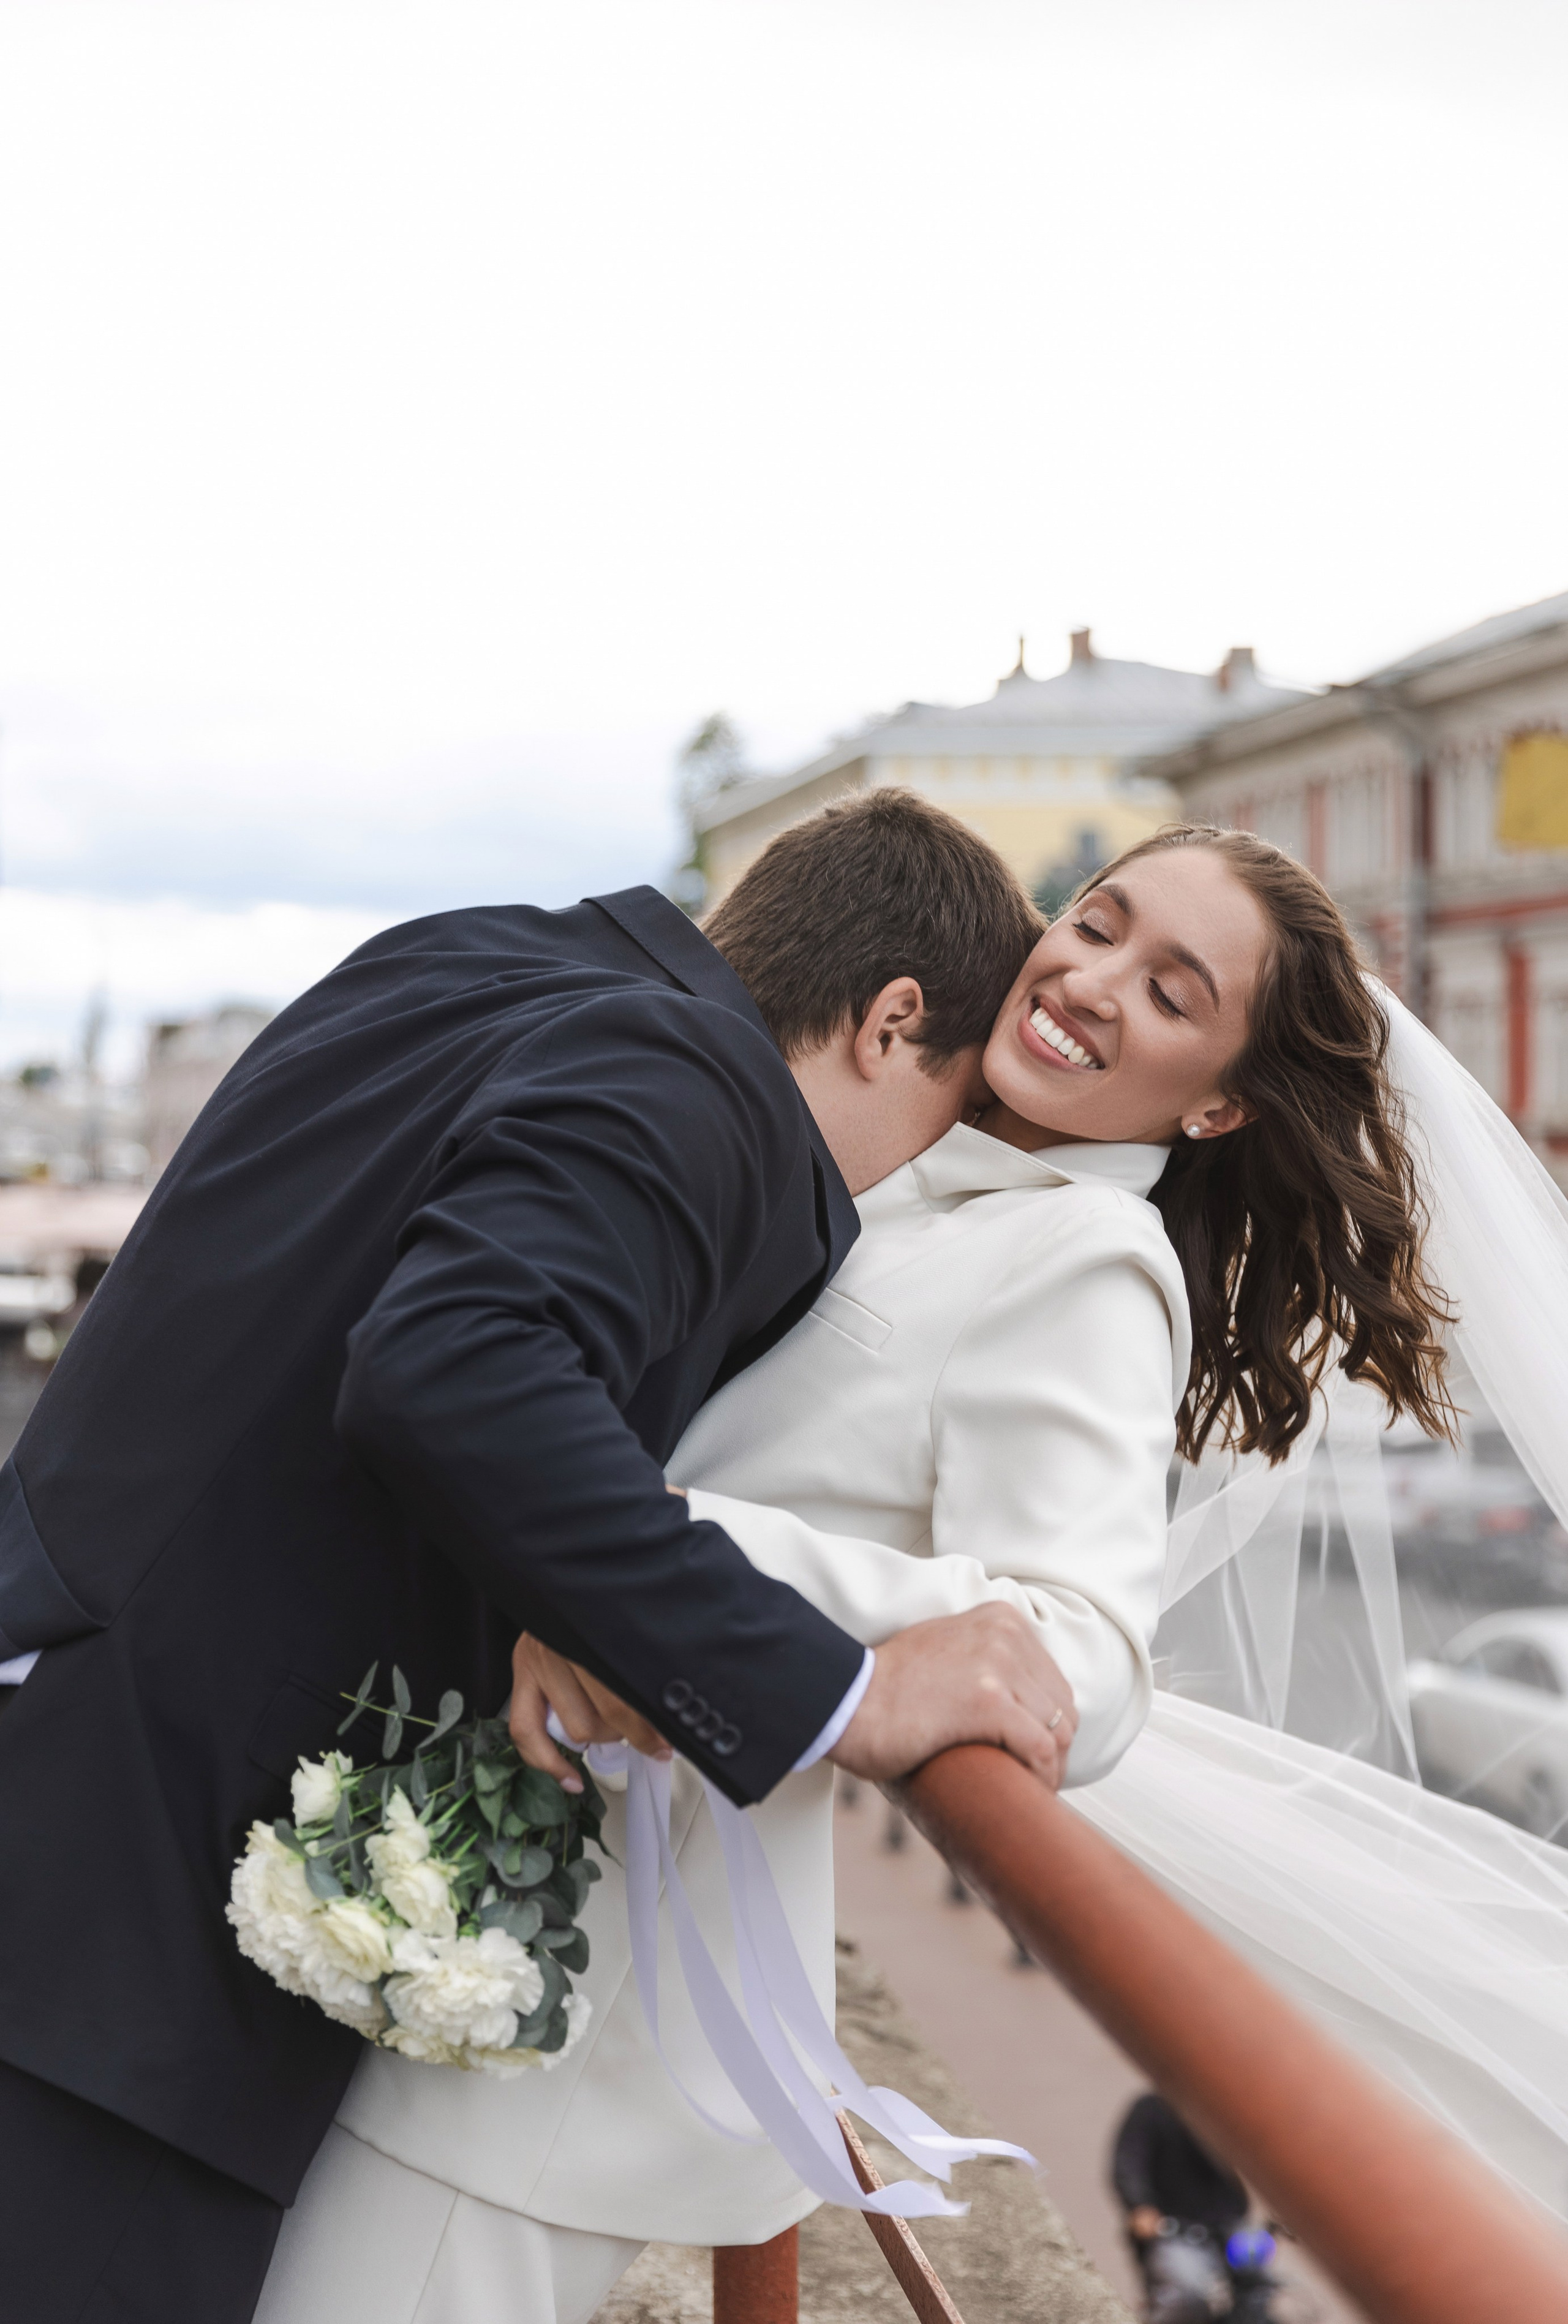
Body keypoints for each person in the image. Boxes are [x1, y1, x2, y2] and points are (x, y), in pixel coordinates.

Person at [257, 824, 1452, 2322]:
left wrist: (657, 1542)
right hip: (447, 1861)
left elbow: (1081, 1658)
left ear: (1215, 1103)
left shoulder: (1083, 1261)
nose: (1087, 981)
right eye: (1096, 921)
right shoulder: (894, 1142)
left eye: (1168, 990)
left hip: (572, 1971)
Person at [0, 789, 1076, 2324]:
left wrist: (549, 1586)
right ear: (892, 1018)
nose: (899, 1181)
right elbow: (453, 1366)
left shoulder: (462, 958)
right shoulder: (696, 1078)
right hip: (126, 1939)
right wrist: (834, 1692)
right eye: (949, 1107)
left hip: (61, 1762)